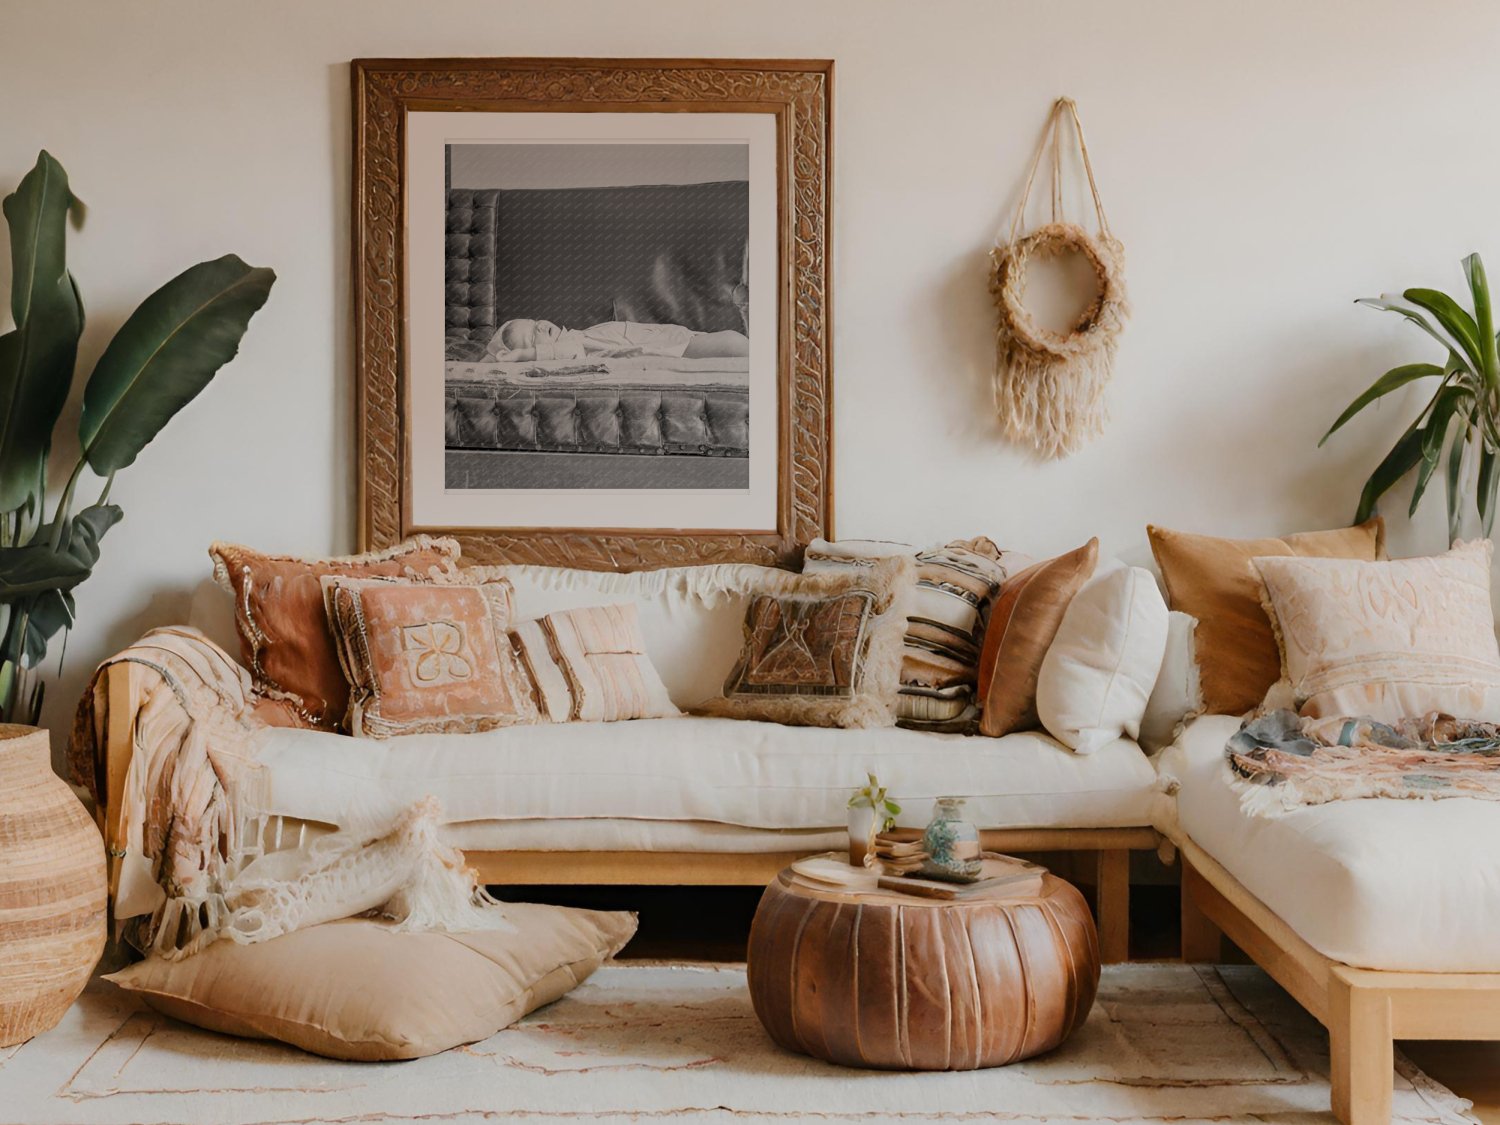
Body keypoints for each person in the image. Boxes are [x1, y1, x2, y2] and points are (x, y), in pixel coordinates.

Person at [486, 318, 749, 362]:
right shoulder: (573, 347)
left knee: (736, 344)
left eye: (535, 322)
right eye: (533, 335)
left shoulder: (578, 333)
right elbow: (570, 352)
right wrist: (522, 356)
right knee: (733, 343)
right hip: (676, 350)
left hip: (678, 338)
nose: (541, 326)